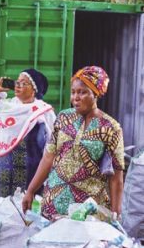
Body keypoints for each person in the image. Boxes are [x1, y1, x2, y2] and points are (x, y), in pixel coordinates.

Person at [22, 66, 125, 220]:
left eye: (83, 92)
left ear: (96, 93)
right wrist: (30, 190)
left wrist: (116, 214)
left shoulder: (111, 127)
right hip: (54, 203)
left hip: (88, 211)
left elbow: (116, 176)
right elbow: (48, 158)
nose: (76, 97)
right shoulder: (63, 118)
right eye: (73, 92)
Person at [0, 69, 56, 197]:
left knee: (24, 212)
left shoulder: (43, 111)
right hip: (2, 171)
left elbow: (52, 144)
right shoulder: (7, 106)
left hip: (30, 172)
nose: (18, 86)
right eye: (17, 82)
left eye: (24, 83)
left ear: (34, 89)